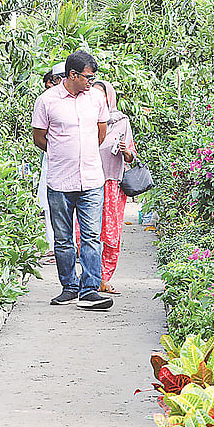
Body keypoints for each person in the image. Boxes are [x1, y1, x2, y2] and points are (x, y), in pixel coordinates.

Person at [31, 50, 113, 310]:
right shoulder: (47, 101)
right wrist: (62, 154)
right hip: (59, 181)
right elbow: (39, 138)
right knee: (63, 238)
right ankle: (69, 286)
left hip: (91, 179)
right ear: (73, 75)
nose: (92, 81)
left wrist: (83, 152)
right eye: (88, 76)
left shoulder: (96, 99)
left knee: (91, 237)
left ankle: (89, 290)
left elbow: (101, 132)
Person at [91, 80, 135, 295]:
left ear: (110, 98)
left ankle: (105, 278)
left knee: (110, 233)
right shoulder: (85, 118)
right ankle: (90, 276)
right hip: (88, 182)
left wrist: (125, 150)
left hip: (112, 184)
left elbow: (132, 157)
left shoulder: (121, 122)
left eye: (103, 95)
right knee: (85, 233)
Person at [36, 63, 65, 261]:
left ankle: (63, 248)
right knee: (51, 205)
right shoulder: (46, 102)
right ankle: (55, 246)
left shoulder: (85, 101)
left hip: (75, 166)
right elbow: (39, 136)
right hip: (53, 159)